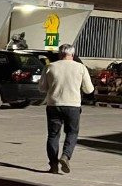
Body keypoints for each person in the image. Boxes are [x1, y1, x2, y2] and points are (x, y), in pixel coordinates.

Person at [38, 44, 94, 174]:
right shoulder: (80, 68)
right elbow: (89, 89)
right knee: (72, 132)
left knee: (53, 135)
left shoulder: (50, 67)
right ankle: (65, 156)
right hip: (73, 106)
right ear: (72, 55)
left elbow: (41, 88)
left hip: (54, 105)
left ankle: (53, 165)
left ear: (59, 54)